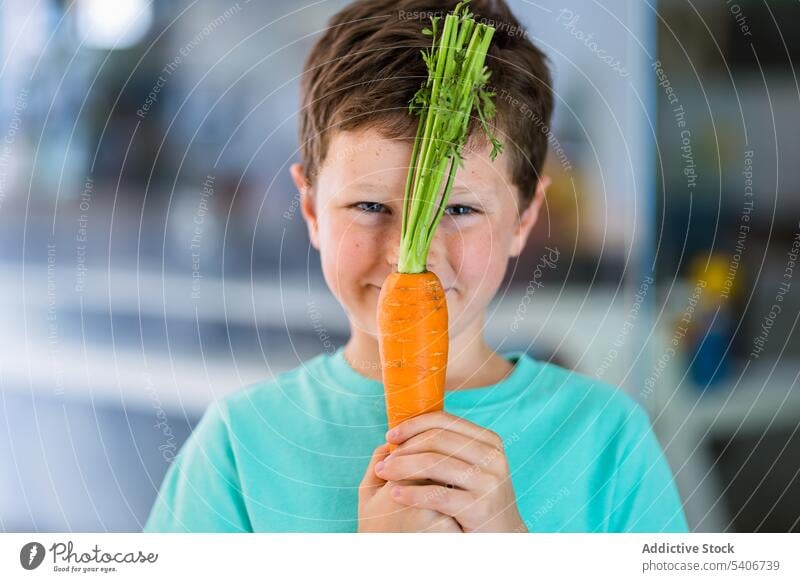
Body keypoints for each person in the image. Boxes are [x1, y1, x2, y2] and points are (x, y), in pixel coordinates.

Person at [144, 0, 688, 533]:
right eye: (370, 206)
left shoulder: (606, 438)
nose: (412, 255)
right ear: (312, 210)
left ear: (523, 219)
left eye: (459, 209)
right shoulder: (239, 445)